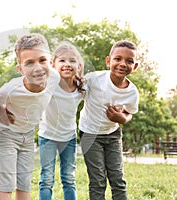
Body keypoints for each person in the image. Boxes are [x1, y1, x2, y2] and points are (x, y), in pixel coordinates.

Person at [0, 33, 60, 200]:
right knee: (6, 184)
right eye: (29, 63)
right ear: (20, 69)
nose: (37, 67)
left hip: (28, 135)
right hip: (6, 134)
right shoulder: (11, 89)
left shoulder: (54, 78)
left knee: (24, 183)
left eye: (42, 60)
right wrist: (0, 110)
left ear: (51, 62)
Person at [79, 40, 139, 200]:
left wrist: (121, 118)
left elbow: (129, 113)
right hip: (89, 134)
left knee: (118, 179)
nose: (123, 64)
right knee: (97, 180)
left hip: (112, 134)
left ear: (135, 66)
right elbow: (72, 92)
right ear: (108, 61)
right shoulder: (93, 79)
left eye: (129, 61)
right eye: (117, 59)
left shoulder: (132, 92)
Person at [38, 42, 85, 200]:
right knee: (47, 179)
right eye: (62, 61)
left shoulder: (81, 88)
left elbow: (98, 99)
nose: (67, 64)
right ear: (53, 64)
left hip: (69, 138)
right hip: (47, 137)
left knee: (69, 178)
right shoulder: (48, 84)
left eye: (72, 61)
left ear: (78, 65)